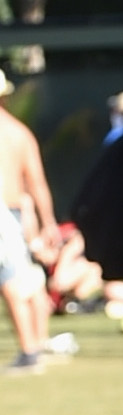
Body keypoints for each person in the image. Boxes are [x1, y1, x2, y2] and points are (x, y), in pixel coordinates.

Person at [1, 93, 70, 373]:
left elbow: (36, 182)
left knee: (12, 282)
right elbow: (37, 183)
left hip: (7, 214)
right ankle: (35, 344)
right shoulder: (20, 132)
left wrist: (46, 221)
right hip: (15, 214)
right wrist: (47, 221)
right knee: (26, 281)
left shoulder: (15, 133)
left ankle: (30, 352)